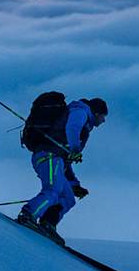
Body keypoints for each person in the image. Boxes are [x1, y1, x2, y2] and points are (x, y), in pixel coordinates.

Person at [17, 96, 108, 243]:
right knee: (53, 190)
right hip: (49, 155)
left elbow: (66, 163)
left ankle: (48, 223)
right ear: (97, 113)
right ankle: (28, 215)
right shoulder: (81, 111)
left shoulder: (85, 124)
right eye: (103, 116)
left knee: (68, 198)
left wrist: (75, 185)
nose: (103, 121)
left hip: (55, 159)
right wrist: (75, 149)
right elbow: (72, 127)